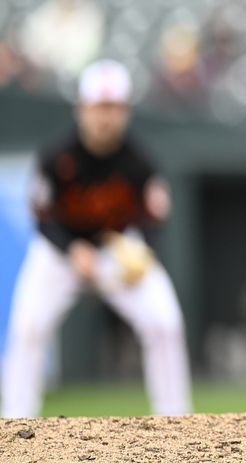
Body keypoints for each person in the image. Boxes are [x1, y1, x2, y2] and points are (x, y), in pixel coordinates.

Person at [1, 60, 191, 418]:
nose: (106, 117)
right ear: (82, 109)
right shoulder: (58, 158)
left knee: (164, 323)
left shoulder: (140, 162)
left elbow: (155, 218)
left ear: (126, 112)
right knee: (27, 330)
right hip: (59, 254)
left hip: (117, 252)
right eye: (99, 107)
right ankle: (15, 426)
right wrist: (72, 250)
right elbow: (42, 218)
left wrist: (142, 251)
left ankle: (175, 420)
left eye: (114, 108)